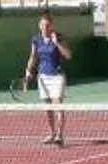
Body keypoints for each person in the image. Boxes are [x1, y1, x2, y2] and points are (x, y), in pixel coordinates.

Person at [23, 15, 73, 146]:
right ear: (39, 26)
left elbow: (68, 55)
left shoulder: (59, 37)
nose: (45, 27)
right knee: (47, 108)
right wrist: (28, 71)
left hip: (57, 76)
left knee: (57, 104)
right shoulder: (36, 40)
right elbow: (33, 57)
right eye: (43, 25)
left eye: (47, 25)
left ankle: (60, 135)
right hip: (42, 77)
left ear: (51, 26)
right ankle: (51, 133)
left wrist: (56, 42)